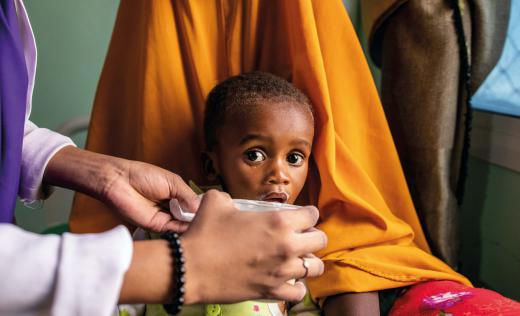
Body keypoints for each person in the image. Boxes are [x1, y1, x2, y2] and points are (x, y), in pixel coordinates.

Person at [0, 1, 327, 315]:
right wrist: (182, 267)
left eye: (296, 158)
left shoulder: (293, 239)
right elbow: (125, 304)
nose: (279, 174)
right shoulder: (176, 220)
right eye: (255, 154)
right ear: (212, 164)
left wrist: (94, 171)